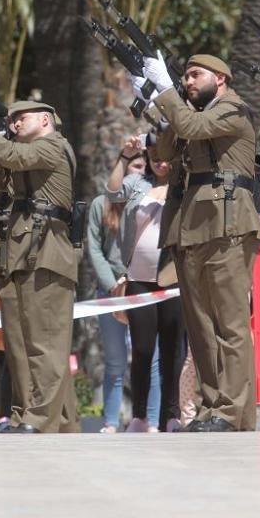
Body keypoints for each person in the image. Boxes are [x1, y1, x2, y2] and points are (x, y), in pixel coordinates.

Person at [143, 53, 260, 432]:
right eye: (185, 76)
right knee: (202, 327)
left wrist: (165, 91)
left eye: (196, 75)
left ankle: (232, 411)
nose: (188, 81)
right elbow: (164, 152)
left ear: (221, 78)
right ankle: (211, 406)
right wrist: (160, 110)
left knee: (229, 323)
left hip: (227, 224)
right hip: (194, 225)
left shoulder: (233, 109)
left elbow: (193, 127)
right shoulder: (190, 114)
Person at [0, 97, 80, 434]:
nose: (13, 125)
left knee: (45, 343)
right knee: (20, 344)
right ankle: (36, 416)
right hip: (20, 252)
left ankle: (39, 419)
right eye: (10, 120)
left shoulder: (54, 146)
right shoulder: (25, 156)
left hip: (47, 253)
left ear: (45, 119)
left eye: (20, 118)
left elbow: (15, 156)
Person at [107, 143, 186, 433]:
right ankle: (139, 416)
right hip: (139, 278)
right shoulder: (139, 185)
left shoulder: (183, 185)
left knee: (172, 350)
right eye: (153, 159)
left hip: (173, 279)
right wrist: (125, 156)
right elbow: (112, 191)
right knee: (141, 349)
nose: (160, 163)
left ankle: (171, 415)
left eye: (165, 159)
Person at [87, 168, 147, 433]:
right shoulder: (101, 205)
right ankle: (111, 421)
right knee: (114, 360)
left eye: (140, 166)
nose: (136, 172)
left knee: (150, 357)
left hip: (142, 287)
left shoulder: (149, 200)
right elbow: (94, 249)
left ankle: (150, 419)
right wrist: (113, 284)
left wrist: (134, 279)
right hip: (110, 292)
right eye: (129, 167)